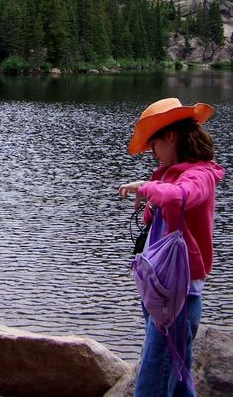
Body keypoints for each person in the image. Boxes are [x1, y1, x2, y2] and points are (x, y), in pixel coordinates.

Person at [118, 97, 225, 397]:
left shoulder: (201, 174)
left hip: (179, 292)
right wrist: (152, 194)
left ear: (170, 136)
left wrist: (149, 188)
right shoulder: (170, 174)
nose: (152, 154)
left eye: (153, 145)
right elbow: (166, 209)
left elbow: (182, 197)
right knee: (176, 370)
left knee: (154, 375)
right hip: (161, 286)